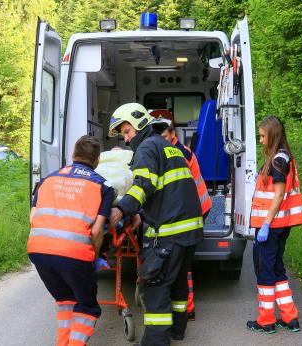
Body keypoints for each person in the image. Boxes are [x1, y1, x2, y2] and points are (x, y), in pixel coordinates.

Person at [108, 103, 203, 346]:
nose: (127, 139)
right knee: (179, 282)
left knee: (155, 284)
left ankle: (156, 341)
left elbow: (144, 186)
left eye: (127, 132)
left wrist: (121, 208)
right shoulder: (169, 147)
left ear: (139, 123)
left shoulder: (148, 147)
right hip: (189, 230)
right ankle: (177, 330)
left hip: (168, 232)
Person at [27, 135, 114, 346]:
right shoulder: (103, 187)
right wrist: (93, 257)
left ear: (72, 156)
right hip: (74, 253)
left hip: (38, 250)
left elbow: (32, 219)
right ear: (97, 160)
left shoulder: (47, 180)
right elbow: (96, 231)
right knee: (88, 306)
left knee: (65, 300)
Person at [246, 116, 302, 334]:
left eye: (263, 135)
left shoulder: (278, 160)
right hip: (281, 225)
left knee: (264, 272)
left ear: (272, 135)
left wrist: (265, 225)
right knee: (278, 269)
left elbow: (279, 194)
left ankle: (266, 321)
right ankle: (291, 319)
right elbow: (275, 188)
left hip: (270, 226)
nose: (260, 140)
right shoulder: (284, 156)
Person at [160, 122, 212, 321]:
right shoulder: (175, 150)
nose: (161, 139)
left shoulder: (177, 153)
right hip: (193, 206)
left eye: (164, 136)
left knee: (180, 262)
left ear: (173, 134)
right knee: (181, 262)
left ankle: (187, 308)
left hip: (193, 209)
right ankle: (186, 308)